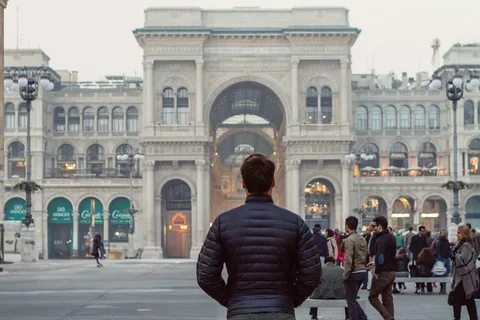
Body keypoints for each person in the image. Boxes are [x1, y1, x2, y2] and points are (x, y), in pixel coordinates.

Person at [196, 153, 322, 320]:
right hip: (281, 311)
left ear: (243, 184)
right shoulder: (295, 223)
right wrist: (289, 299)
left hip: (240, 311)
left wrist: (232, 300)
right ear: (273, 182)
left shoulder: (222, 223)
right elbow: (312, 272)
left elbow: (205, 275)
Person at [367, 216, 396, 320]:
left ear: (380, 226)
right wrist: (374, 263)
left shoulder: (381, 240)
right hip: (392, 271)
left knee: (372, 296)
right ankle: (390, 317)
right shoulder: (391, 237)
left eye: (374, 226)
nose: (372, 228)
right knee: (387, 298)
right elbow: (388, 255)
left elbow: (380, 258)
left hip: (383, 272)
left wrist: (377, 272)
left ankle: (388, 317)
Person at [342, 216, 368, 320]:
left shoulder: (349, 240)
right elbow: (366, 253)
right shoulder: (362, 238)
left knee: (350, 301)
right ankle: (364, 318)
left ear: (347, 226)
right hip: (362, 271)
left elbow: (348, 259)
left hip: (353, 272)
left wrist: (345, 275)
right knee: (352, 298)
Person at [450, 225, 479, 320]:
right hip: (461, 276)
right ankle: (472, 318)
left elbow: (464, 260)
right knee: (468, 299)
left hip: (464, 277)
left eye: (458, 233)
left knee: (459, 299)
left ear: (463, 234)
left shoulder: (466, 245)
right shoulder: (460, 243)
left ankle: (457, 318)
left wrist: (455, 256)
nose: (457, 234)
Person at [431, 229, 452, 294]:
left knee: (446, 273)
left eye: (444, 233)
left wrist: (450, 256)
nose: (443, 234)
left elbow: (448, 249)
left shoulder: (446, 241)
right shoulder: (437, 241)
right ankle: (442, 288)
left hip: (446, 259)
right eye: (442, 233)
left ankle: (443, 288)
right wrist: (438, 257)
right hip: (441, 259)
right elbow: (435, 249)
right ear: (440, 234)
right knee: (441, 273)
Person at [361, 225, 373, 290]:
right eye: (366, 230)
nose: (366, 231)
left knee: (371, 270)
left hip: (369, 256)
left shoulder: (371, 237)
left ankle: (369, 284)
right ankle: (364, 284)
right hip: (364, 256)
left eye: (368, 230)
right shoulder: (363, 236)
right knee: (364, 270)